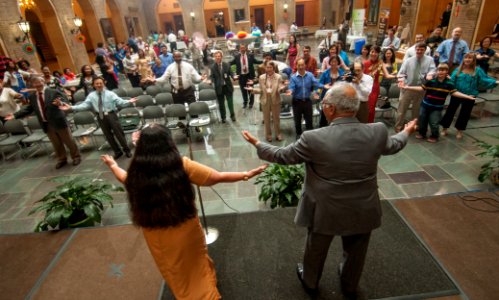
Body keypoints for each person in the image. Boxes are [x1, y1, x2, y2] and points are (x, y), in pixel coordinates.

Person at [242, 83, 417, 299]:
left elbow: (282, 156)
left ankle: (310, 281)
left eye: (324, 103)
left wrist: (257, 143)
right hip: (364, 206)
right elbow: (394, 145)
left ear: (331, 109)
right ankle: (349, 283)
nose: (323, 107)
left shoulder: (313, 138)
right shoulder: (378, 130)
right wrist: (407, 131)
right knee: (357, 250)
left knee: (316, 248)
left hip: (325, 208)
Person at [100, 124, 266, 299]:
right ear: (168, 142)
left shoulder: (136, 171)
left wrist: (112, 165)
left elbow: (123, 178)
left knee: (174, 269)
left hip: (155, 234)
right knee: (195, 263)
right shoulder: (181, 164)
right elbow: (217, 177)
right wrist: (246, 174)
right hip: (184, 228)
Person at [6, 77, 81, 168]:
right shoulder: (32, 96)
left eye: (40, 81)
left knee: (69, 141)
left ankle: (76, 157)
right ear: (33, 84)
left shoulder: (53, 91)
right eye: (35, 82)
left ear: (43, 81)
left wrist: (60, 103)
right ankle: (62, 159)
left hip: (58, 121)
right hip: (46, 124)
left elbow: (65, 100)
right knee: (56, 143)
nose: (38, 84)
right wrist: (15, 115)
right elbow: (28, 109)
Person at [60, 76, 137, 158]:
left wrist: (129, 101)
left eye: (101, 83)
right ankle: (117, 151)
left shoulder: (110, 94)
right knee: (108, 135)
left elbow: (120, 102)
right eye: (97, 83)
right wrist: (71, 107)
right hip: (100, 117)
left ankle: (127, 150)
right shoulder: (91, 95)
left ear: (104, 84)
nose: (99, 85)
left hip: (111, 115)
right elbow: (84, 105)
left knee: (119, 134)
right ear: (93, 85)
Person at [401, 63, 475, 143]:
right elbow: (422, 88)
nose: (441, 72)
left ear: (447, 71)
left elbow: (454, 93)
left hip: (437, 108)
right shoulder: (431, 81)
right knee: (422, 120)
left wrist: (467, 97)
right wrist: (408, 87)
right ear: (437, 71)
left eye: (443, 70)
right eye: (439, 70)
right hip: (425, 105)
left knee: (434, 123)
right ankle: (422, 133)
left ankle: (434, 135)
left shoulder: (449, 84)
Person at [440, 53, 498, 139]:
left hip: (470, 95)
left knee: (465, 114)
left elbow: (484, 79)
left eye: (470, 58)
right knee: (450, 111)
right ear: (463, 59)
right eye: (466, 57)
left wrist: (495, 82)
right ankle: (444, 128)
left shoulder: (477, 70)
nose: (467, 59)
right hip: (457, 94)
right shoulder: (458, 70)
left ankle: (460, 130)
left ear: (474, 60)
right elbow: (452, 81)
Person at [395, 42, 436, 132]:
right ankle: (398, 126)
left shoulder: (430, 60)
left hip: (421, 88)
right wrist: (401, 81)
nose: (419, 51)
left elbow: (433, 70)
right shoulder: (408, 61)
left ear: (425, 50)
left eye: (421, 49)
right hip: (407, 87)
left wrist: (430, 75)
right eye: (417, 49)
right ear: (415, 50)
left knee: (417, 109)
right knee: (402, 108)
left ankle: (413, 126)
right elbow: (401, 73)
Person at [287, 58, 329, 139]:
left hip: (307, 101)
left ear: (305, 66)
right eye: (299, 65)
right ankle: (298, 136)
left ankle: (309, 137)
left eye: (302, 65)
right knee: (297, 121)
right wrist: (290, 91)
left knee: (309, 120)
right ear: (297, 66)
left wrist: (323, 86)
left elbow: (316, 83)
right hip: (297, 102)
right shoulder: (293, 77)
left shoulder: (310, 75)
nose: (301, 67)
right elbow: (291, 87)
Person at [248, 61, 285, 141]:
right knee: (266, 119)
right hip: (265, 100)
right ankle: (268, 135)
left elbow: (280, 87)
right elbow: (261, 90)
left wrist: (281, 89)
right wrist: (253, 90)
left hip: (275, 99)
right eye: (267, 67)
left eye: (270, 67)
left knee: (276, 119)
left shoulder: (278, 77)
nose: (268, 69)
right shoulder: (261, 77)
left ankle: (278, 134)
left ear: (273, 68)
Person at [363, 46, 396, 123]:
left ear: (378, 53)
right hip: (364, 87)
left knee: (371, 109)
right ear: (369, 52)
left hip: (374, 88)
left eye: (376, 52)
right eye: (372, 52)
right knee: (364, 108)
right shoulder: (364, 63)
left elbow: (387, 75)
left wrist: (397, 76)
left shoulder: (380, 63)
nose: (374, 54)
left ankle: (370, 125)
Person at [230, 44, 262, 109]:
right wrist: (224, 64)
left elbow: (256, 61)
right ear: (239, 49)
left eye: (243, 48)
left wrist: (264, 61)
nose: (242, 49)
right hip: (241, 76)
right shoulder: (237, 57)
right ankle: (245, 102)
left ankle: (251, 103)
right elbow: (231, 63)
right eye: (241, 48)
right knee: (243, 90)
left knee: (250, 90)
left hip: (249, 76)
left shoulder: (250, 56)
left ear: (246, 49)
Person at [318, 56, 345, 127]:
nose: (333, 63)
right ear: (330, 63)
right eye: (332, 61)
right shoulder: (325, 73)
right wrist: (324, 86)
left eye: (335, 61)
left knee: (337, 116)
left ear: (338, 63)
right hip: (327, 98)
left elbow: (345, 85)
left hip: (338, 98)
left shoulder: (342, 73)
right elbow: (319, 84)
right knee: (324, 116)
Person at [209, 51, 236, 123]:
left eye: (219, 56)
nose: (218, 57)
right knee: (221, 104)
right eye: (216, 56)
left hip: (227, 86)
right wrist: (210, 81)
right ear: (214, 57)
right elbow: (212, 76)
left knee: (230, 102)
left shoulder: (226, 64)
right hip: (219, 87)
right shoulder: (212, 67)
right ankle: (223, 117)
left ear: (221, 57)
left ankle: (232, 115)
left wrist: (234, 76)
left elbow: (231, 73)